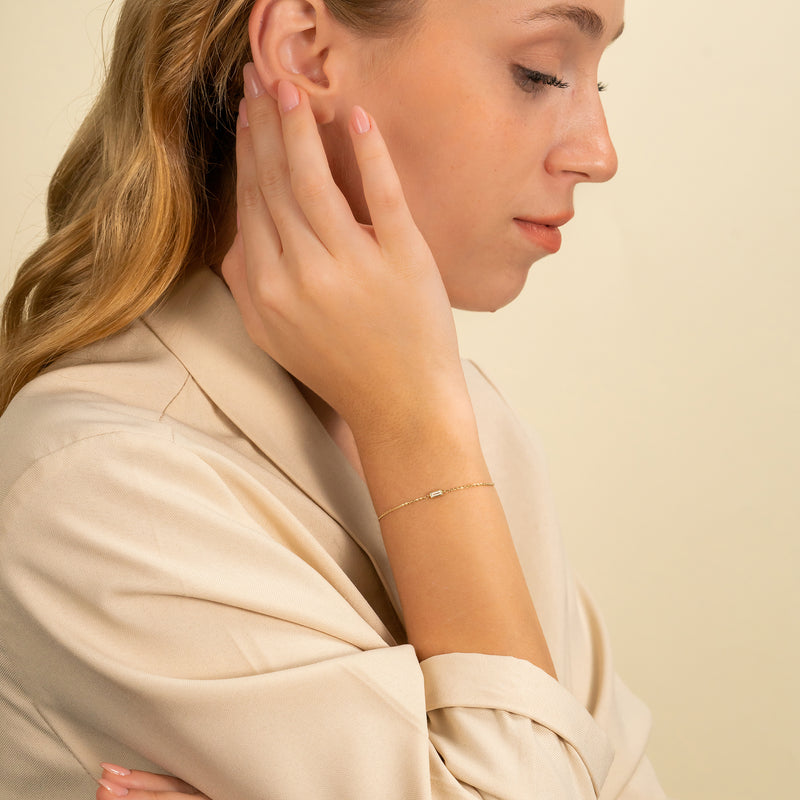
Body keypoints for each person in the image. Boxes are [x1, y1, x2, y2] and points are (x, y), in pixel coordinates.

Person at [0, 0, 669, 798]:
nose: (600, 153)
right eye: (541, 72)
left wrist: (422, 423)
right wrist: (419, 430)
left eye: (600, 81)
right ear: (307, 50)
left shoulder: (471, 428)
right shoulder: (98, 490)